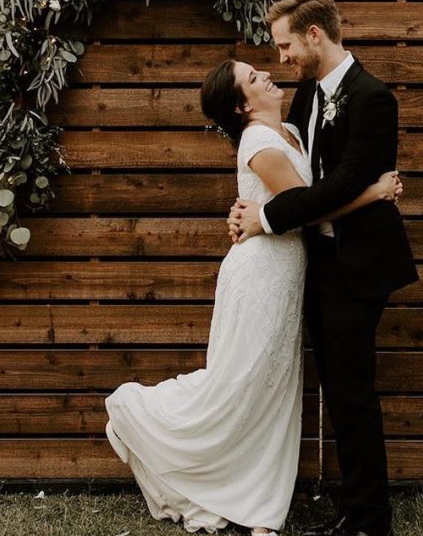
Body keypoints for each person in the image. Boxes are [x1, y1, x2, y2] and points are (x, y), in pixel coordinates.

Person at [104, 55, 403, 535]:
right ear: (242, 105)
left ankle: (251, 494)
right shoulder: (259, 141)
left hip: (288, 277)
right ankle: (141, 418)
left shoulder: (291, 130)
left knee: (267, 392)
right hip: (259, 277)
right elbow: (306, 207)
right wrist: (373, 192)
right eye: (253, 77)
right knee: (239, 384)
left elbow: (310, 194)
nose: (266, 74)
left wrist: (261, 214)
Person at [230, 0, 418, 536]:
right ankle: (352, 507)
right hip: (319, 258)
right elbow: (306, 182)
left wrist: (264, 218)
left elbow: (339, 185)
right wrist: (260, 208)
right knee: (336, 389)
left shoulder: (373, 98)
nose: (282, 58)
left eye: (286, 45)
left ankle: (369, 520)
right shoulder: (311, 90)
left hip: (359, 263)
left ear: (314, 36)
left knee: (352, 392)